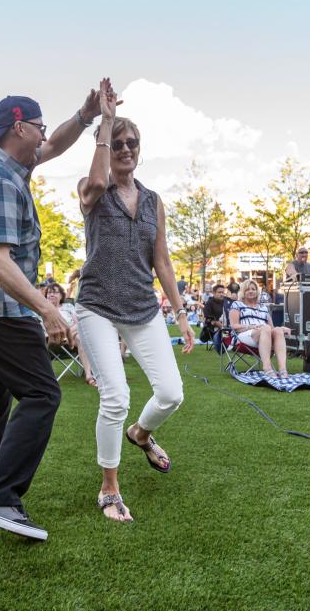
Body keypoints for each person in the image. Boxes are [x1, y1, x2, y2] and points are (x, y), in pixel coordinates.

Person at [0, 86, 100, 541]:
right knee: (42, 396)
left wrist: (85, 116)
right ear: (19, 128)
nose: (44, 136)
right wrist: (48, 312)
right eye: (39, 127)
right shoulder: (2, 182)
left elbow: (50, 148)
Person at [74, 87, 195, 524]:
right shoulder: (93, 189)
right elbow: (98, 183)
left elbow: (161, 259)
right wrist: (105, 121)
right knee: (116, 396)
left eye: (132, 143)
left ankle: (140, 435)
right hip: (97, 305)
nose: (125, 149)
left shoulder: (153, 201)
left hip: (143, 307)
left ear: (140, 152)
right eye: (118, 143)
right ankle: (110, 486)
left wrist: (181, 314)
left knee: (171, 393)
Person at [228, 279, 289, 376]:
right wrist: (251, 326)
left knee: (277, 330)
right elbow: (234, 326)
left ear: (257, 291)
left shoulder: (263, 307)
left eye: (253, 289)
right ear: (243, 292)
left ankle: (283, 369)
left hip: (265, 334)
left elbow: (271, 328)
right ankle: (267, 367)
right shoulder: (237, 304)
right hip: (243, 334)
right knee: (265, 328)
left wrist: (282, 328)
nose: (251, 291)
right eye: (247, 289)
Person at [43, 283, 95, 387]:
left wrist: (68, 333)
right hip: (54, 340)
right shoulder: (43, 309)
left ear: (61, 295)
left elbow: (78, 323)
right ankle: (93, 374)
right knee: (84, 336)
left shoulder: (68, 306)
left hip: (72, 340)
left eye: (55, 292)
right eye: (49, 293)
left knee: (81, 336)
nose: (51, 295)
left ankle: (88, 375)